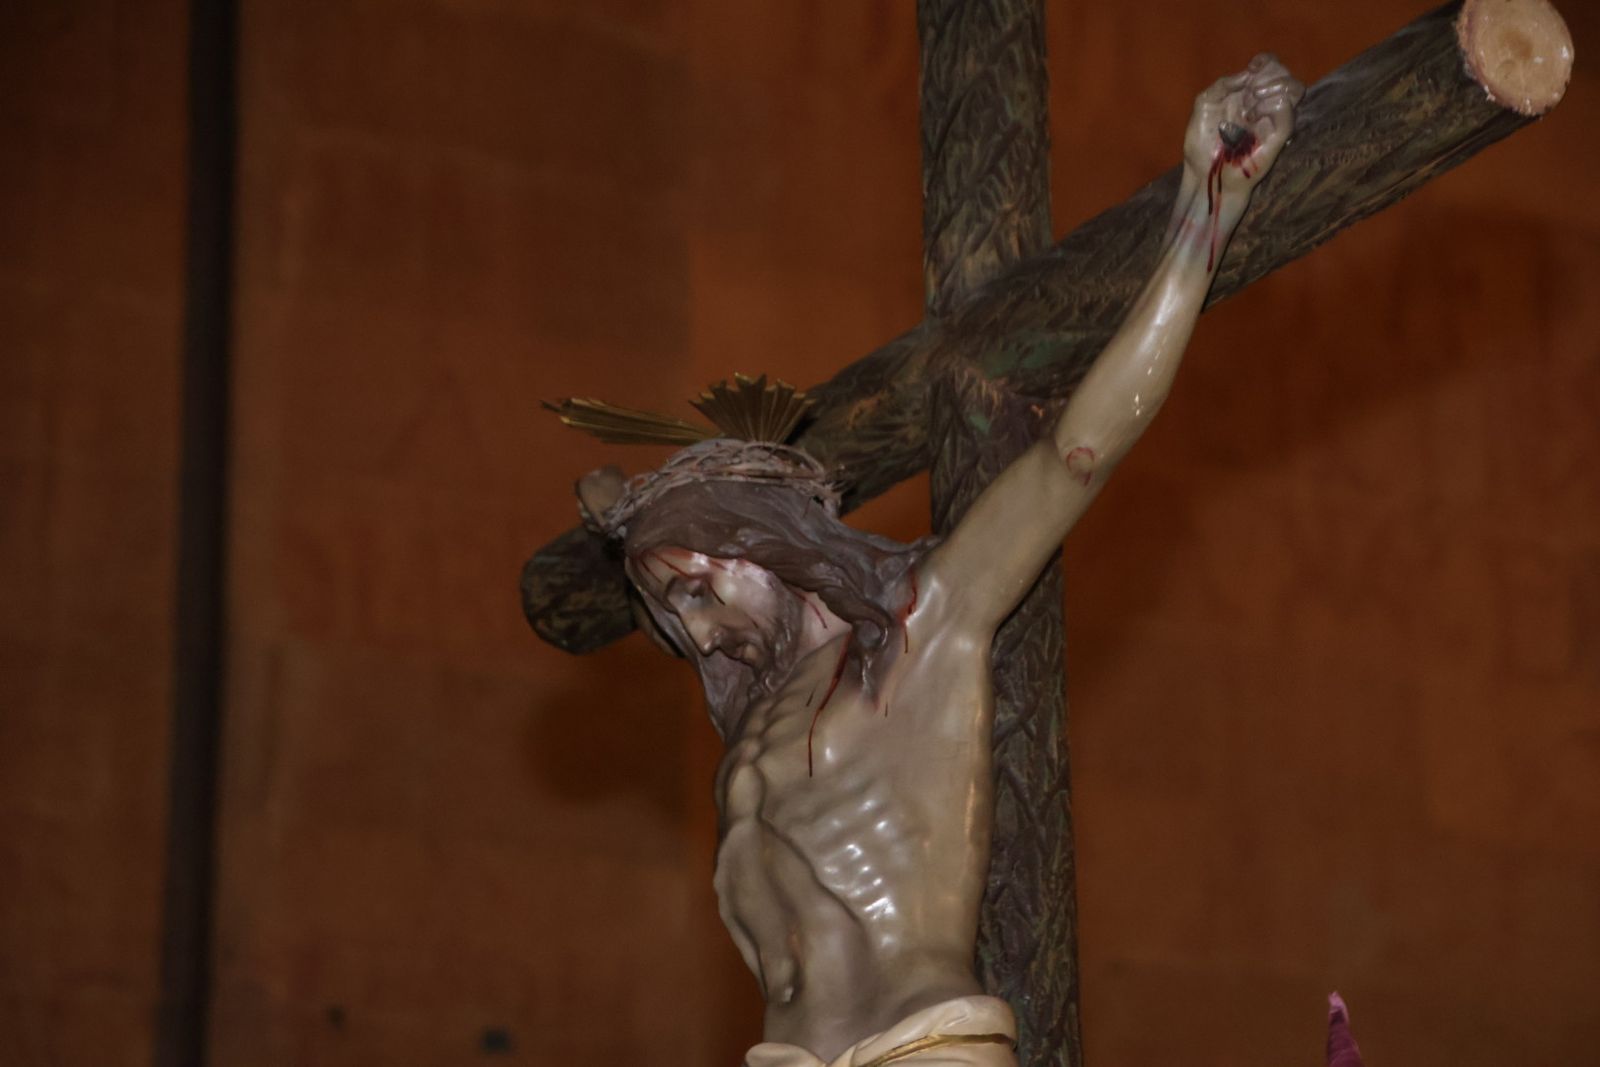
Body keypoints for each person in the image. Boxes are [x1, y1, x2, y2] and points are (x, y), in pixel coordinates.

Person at [569, 55, 1302, 1067]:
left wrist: (1207, 206)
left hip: (920, 1043)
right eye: (668, 609)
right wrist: (628, 517)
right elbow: (616, 515)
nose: (695, 629)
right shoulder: (750, 708)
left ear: (766, 545)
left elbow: (1072, 453)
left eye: (697, 589)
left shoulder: (923, 625)